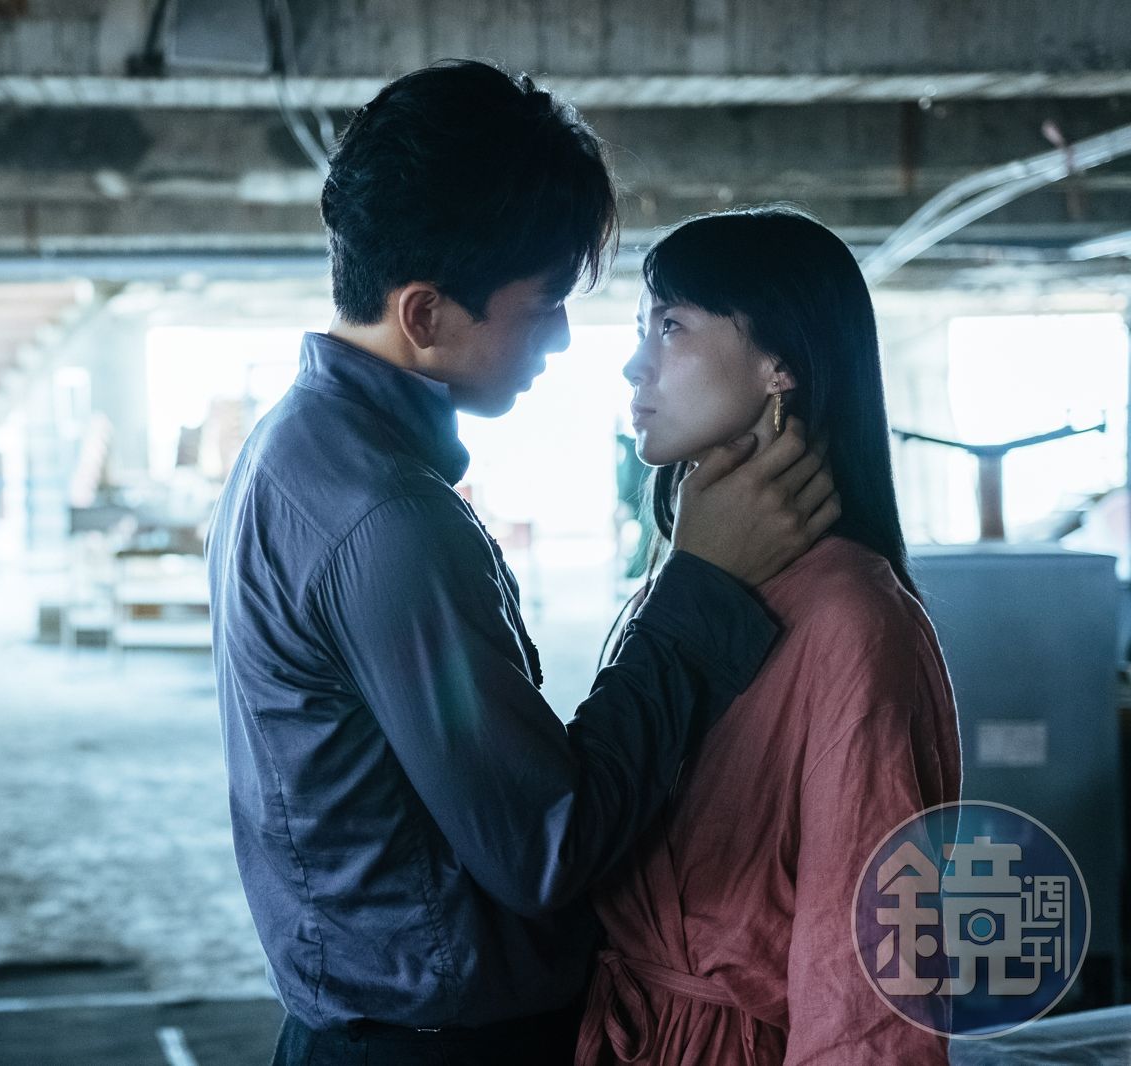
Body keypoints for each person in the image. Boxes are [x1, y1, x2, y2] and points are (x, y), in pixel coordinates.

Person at [206, 62, 839, 1066]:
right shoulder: (387, 519)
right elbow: (547, 847)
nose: (561, 339)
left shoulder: (296, 449)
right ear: (424, 315)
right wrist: (703, 583)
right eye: (542, 304)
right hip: (437, 1048)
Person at [577, 207, 962, 1065]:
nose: (636, 362)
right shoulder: (689, 583)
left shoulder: (851, 621)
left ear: (780, 364)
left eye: (670, 326)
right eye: (642, 328)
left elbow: (866, 989)